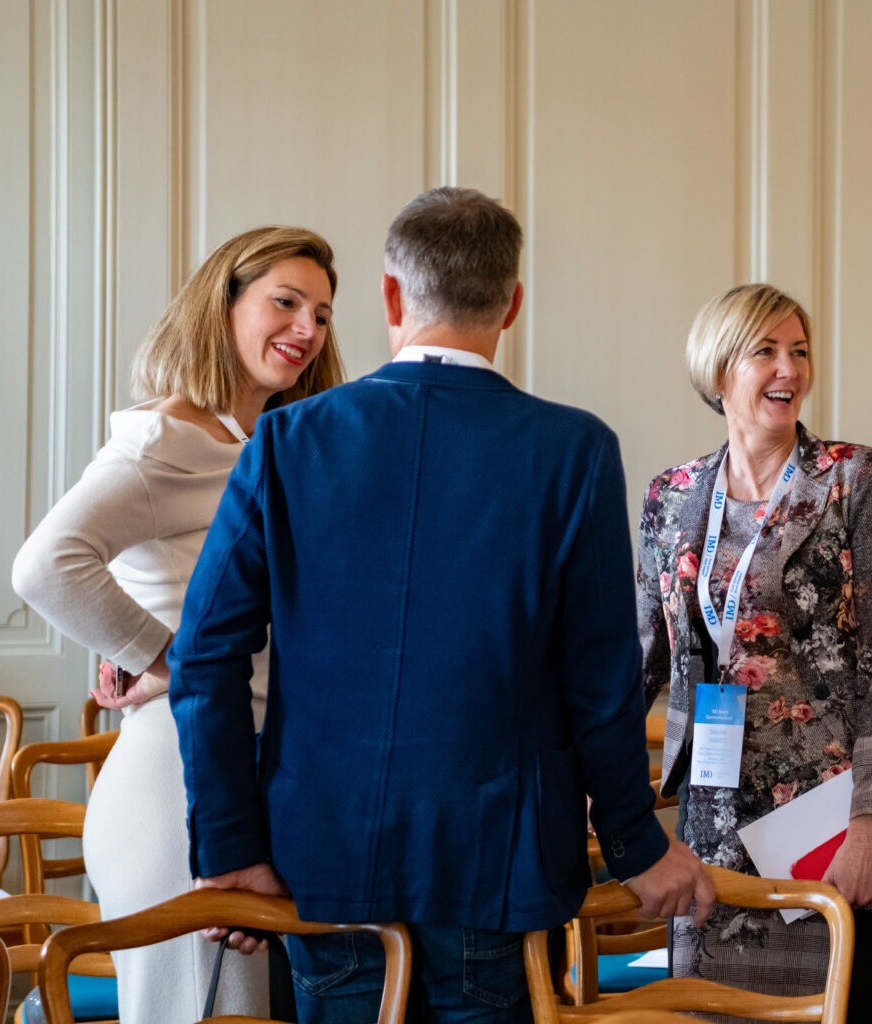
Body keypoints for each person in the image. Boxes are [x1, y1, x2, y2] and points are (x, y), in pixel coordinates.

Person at [168, 187, 711, 1024]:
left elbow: (204, 656)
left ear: (390, 295)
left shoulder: (287, 440)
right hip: (499, 859)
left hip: (326, 854)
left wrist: (230, 844)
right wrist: (637, 844)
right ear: (512, 305)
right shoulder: (574, 451)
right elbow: (600, 681)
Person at [10, 226, 347, 1022]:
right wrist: (166, 660)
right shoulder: (165, 441)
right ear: (221, 305)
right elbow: (46, 566)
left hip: (265, 771)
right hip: (177, 786)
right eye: (285, 302)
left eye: (322, 314)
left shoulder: (276, 442)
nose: (306, 329)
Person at [637, 283, 872, 1023]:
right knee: (715, 1010)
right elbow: (639, 659)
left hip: (831, 817)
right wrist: (596, 781)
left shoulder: (854, 478)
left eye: (799, 351)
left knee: (839, 1004)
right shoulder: (672, 496)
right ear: (718, 369)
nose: (789, 369)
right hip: (711, 815)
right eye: (765, 351)